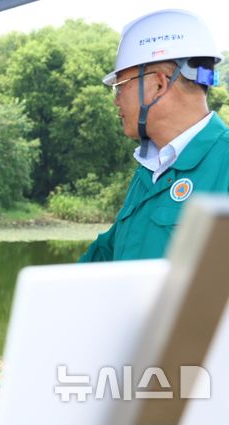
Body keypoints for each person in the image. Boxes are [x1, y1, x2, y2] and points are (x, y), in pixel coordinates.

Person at [81, 9, 229, 262]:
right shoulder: (151, 171)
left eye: (119, 87)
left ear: (159, 83)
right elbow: (106, 257)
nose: (116, 101)